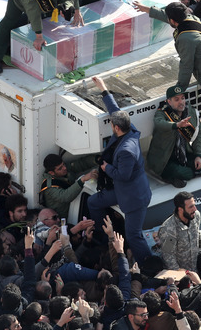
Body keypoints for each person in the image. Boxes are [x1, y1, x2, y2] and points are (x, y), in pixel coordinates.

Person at [132, 1, 201, 168]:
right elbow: (171, 15)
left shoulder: (185, 38)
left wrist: (179, 88)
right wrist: (149, 10)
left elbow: (186, 65)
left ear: (173, 21)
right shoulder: (190, 18)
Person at [86, 75, 153, 263]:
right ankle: (104, 236)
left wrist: (106, 167)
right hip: (123, 190)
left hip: (133, 198)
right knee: (93, 202)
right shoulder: (129, 129)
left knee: (133, 236)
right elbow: (115, 109)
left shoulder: (127, 151)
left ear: (115, 127)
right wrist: (103, 88)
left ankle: (148, 264)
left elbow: (122, 175)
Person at [150, 85, 201, 189]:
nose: (181, 102)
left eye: (182, 98)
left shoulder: (190, 111)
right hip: (165, 159)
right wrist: (177, 125)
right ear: (169, 102)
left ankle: (184, 175)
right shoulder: (162, 113)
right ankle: (200, 172)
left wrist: (198, 156)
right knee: (182, 172)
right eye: (176, 99)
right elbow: (159, 123)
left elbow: (198, 135)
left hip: (183, 154)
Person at [158, 191, 201, 271]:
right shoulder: (168, 229)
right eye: (191, 207)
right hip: (181, 274)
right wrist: (181, 275)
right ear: (180, 209)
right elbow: (168, 256)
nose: (195, 209)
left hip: (197, 268)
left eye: (194, 205)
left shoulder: (196, 216)